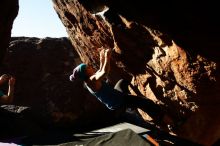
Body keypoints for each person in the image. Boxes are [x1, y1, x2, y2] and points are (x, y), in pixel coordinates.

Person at [69, 48, 173, 129]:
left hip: (115, 97)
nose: (90, 67)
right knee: (146, 103)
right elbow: (104, 72)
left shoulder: (89, 79)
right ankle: (169, 122)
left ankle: (133, 104)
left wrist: (102, 57)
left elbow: (101, 69)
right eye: (87, 68)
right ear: (85, 74)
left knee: (122, 82)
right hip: (119, 103)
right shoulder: (91, 81)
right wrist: (107, 56)